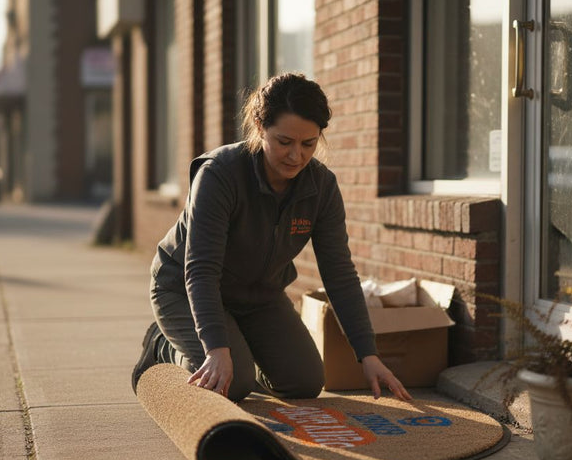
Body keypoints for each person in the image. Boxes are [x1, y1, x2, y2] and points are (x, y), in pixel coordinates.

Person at [132, 73, 412, 404]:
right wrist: (215, 347)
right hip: (182, 288)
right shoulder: (219, 175)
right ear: (259, 126)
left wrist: (368, 354)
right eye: (284, 142)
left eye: (308, 144)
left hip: (258, 296)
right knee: (231, 385)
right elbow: (201, 268)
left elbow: (339, 272)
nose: (296, 155)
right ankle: (164, 344)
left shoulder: (321, 187)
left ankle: (238, 354)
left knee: (304, 382)